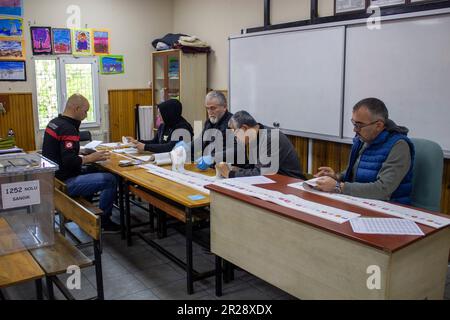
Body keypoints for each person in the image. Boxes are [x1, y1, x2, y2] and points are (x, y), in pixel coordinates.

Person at [314, 97, 415, 204]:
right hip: (361, 201)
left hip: (390, 207)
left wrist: (339, 186)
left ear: (378, 125)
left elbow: (383, 189)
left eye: (359, 125)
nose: (355, 130)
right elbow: (354, 174)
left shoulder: (399, 146)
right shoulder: (363, 140)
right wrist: (336, 177)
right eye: (354, 124)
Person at [42, 94, 119, 232]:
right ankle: (103, 222)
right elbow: (70, 161)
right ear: (76, 109)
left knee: (97, 171)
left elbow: (60, 153)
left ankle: (87, 214)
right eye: (85, 111)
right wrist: (91, 158)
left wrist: (81, 153)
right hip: (63, 184)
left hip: (52, 179)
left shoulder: (55, 122)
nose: (86, 115)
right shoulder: (68, 128)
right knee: (111, 180)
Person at [216, 111, 305, 179]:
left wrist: (230, 174)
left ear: (244, 128)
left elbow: (262, 173)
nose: (236, 138)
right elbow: (254, 168)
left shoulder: (271, 138)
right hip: (274, 182)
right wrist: (236, 169)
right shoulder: (254, 137)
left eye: (235, 133)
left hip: (291, 183)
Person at [128, 99, 193, 153]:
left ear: (168, 114)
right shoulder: (164, 125)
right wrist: (138, 142)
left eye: (160, 114)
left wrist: (145, 147)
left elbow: (170, 147)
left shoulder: (182, 128)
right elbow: (155, 142)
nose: (158, 116)